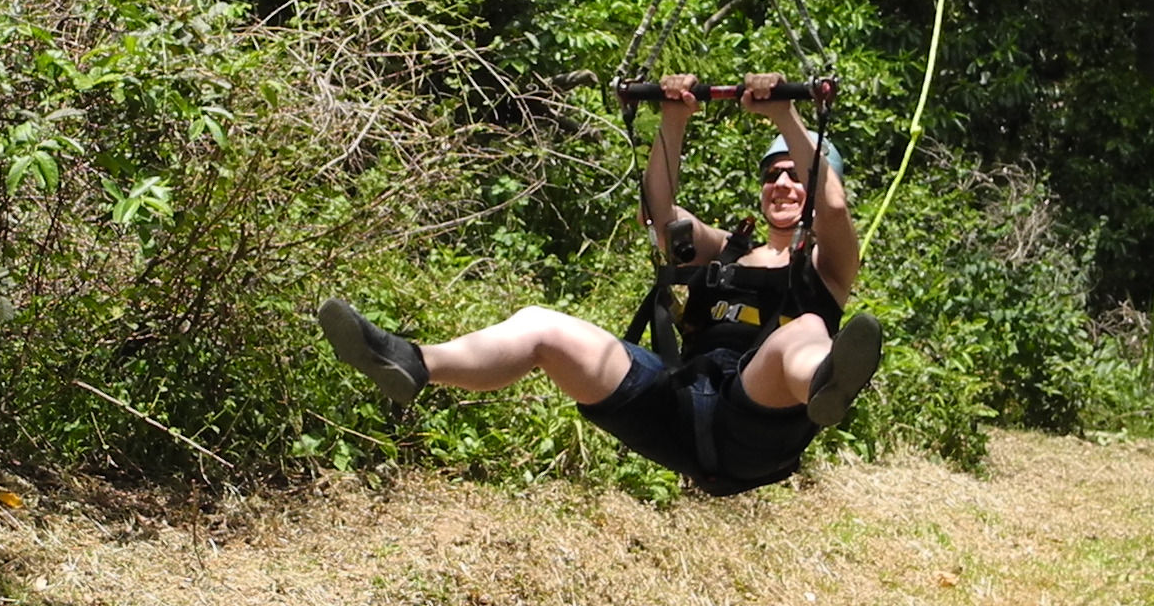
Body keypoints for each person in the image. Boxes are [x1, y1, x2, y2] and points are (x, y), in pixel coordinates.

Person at [316, 73, 885, 496]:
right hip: (679, 410)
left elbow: (833, 208)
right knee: (540, 326)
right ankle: (415, 362)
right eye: (772, 174)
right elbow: (660, 215)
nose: (783, 184)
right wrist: (672, 120)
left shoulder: (828, 264)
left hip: (757, 422)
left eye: (797, 174)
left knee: (805, 329)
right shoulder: (726, 248)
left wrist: (787, 117)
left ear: (817, 180)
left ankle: (825, 383)